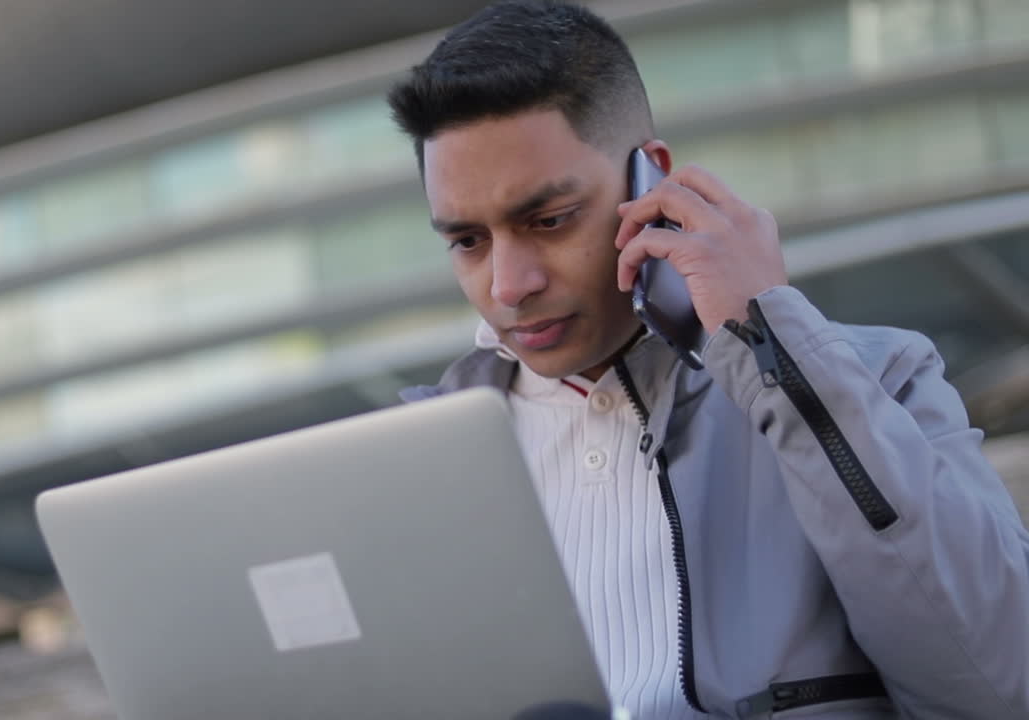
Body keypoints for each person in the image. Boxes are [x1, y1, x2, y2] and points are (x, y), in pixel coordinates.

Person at [387, 2, 1029, 718]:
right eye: (468, 241)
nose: (509, 286)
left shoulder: (879, 380)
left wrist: (774, 349)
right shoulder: (417, 469)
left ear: (648, 182)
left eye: (549, 220)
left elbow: (997, 685)